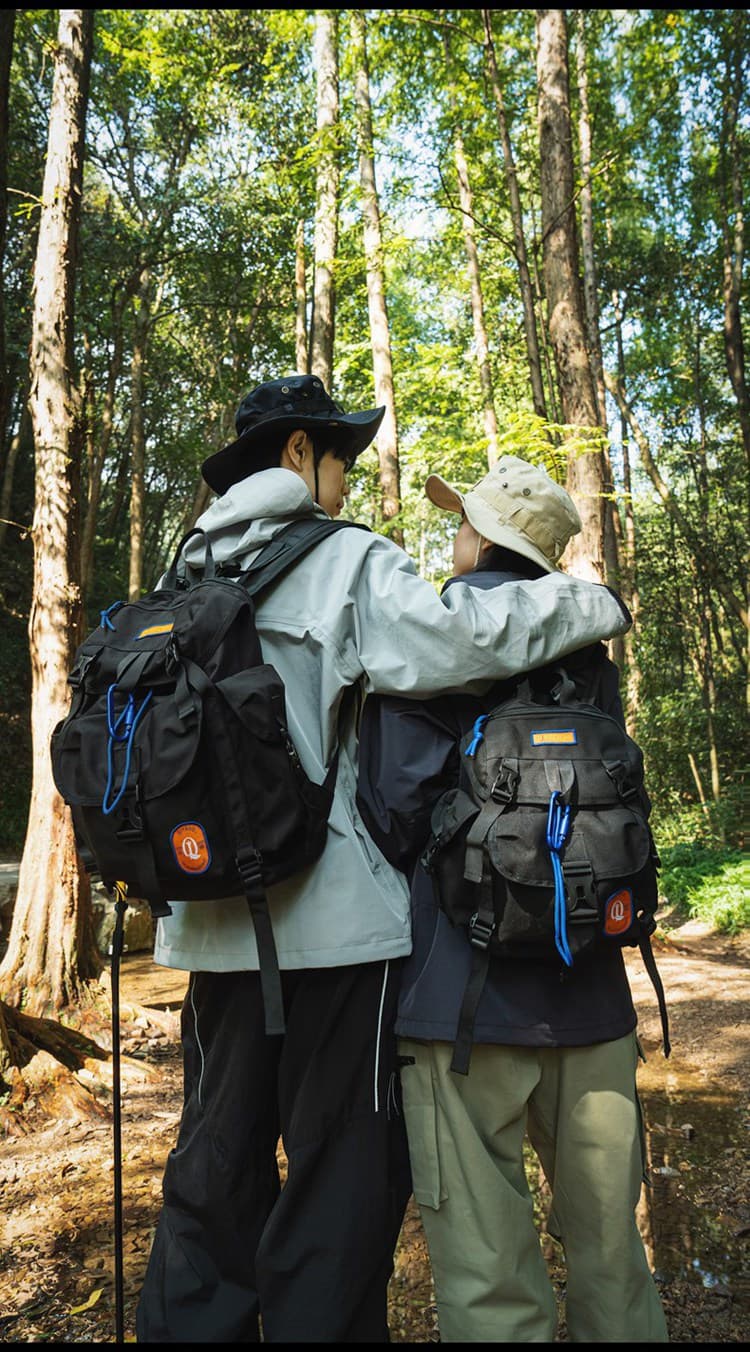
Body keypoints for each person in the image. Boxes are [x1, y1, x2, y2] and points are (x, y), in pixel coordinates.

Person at [135, 377, 632, 1344]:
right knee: (338, 1191)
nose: (347, 480)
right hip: (335, 943)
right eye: (340, 460)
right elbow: (460, 637)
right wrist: (586, 601)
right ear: (298, 454)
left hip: (208, 929)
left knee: (211, 1175)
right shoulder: (345, 558)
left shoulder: (185, 566)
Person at [356, 455, 669, 1344]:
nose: (454, 535)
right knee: (613, 1260)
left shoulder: (426, 644)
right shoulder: (589, 656)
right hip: (591, 999)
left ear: (484, 538)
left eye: (463, 521)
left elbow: (392, 813)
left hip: (459, 1010)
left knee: (488, 1276)